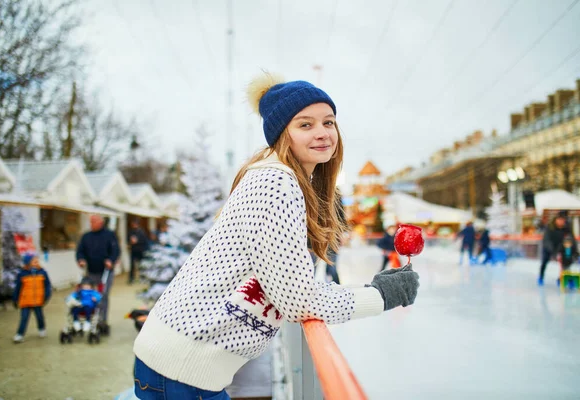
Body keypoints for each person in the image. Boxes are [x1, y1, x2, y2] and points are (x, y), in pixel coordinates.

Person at [132, 73, 420, 399]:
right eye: (305, 125)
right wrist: (379, 296)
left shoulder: (284, 181)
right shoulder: (276, 183)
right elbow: (299, 300)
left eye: (329, 122)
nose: (323, 133)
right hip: (182, 370)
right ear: (283, 134)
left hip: (182, 365)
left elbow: (289, 285)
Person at [76, 214, 120, 324]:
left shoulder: (109, 235)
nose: (91, 224)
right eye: (91, 222)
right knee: (88, 294)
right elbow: (80, 251)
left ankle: (102, 319)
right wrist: (81, 259)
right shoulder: (86, 236)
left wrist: (111, 260)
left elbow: (116, 250)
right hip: (91, 271)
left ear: (101, 222)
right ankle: (89, 316)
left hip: (105, 271)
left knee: (103, 295)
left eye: (94, 221)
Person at [12, 253, 51, 343]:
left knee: (39, 317)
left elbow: (47, 286)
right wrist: (15, 299)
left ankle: (41, 329)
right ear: (28, 263)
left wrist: (46, 296)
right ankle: (19, 334)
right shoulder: (22, 274)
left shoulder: (43, 273)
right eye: (34, 261)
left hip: (38, 301)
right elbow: (18, 288)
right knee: (24, 318)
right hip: (25, 301)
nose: (36, 262)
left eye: (37, 260)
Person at [538, 212, 576, 286]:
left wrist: (574, 251)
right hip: (548, 248)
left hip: (560, 247)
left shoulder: (566, 228)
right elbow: (547, 241)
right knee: (544, 262)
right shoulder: (549, 228)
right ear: (556, 220)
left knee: (566, 262)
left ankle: (564, 278)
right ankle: (541, 277)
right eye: (560, 220)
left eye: (563, 220)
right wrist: (553, 253)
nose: (561, 222)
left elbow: (571, 239)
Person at [128, 218, 149, 284]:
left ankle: (142, 277)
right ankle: (131, 278)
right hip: (133, 250)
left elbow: (145, 241)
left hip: (140, 250)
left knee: (141, 265)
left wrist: (137, 241)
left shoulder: (141, 232)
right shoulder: (130, 232)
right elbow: (128, 239)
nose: (133, 225)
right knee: (132, 265)